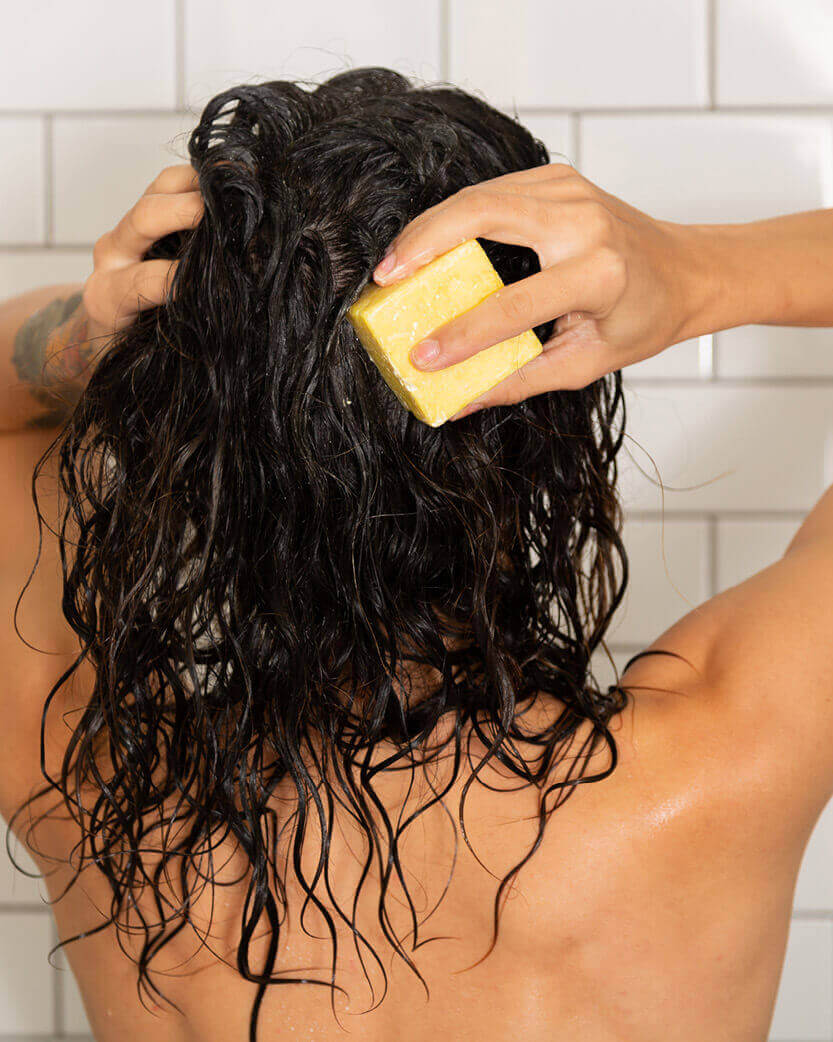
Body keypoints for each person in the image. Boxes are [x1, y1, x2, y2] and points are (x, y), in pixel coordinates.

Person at [0, 65, 831, 1042]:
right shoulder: (721, 764)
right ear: (549, 426)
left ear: (210, 443)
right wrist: (689, 274)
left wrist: (106, 332)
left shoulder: (102, 801)